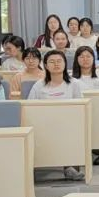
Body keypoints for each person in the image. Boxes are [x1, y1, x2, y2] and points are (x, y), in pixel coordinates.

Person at [29, 51, 85, 179]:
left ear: (65, 64)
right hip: (44, 124)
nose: (56, 64)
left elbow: (81, 106)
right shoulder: (39, 85)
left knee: (72, 132)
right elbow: (30, 107)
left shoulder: (74, 84)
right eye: (52, 62)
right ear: (45, 65)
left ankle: (70, 167)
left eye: (59, 61)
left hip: (68, 124)